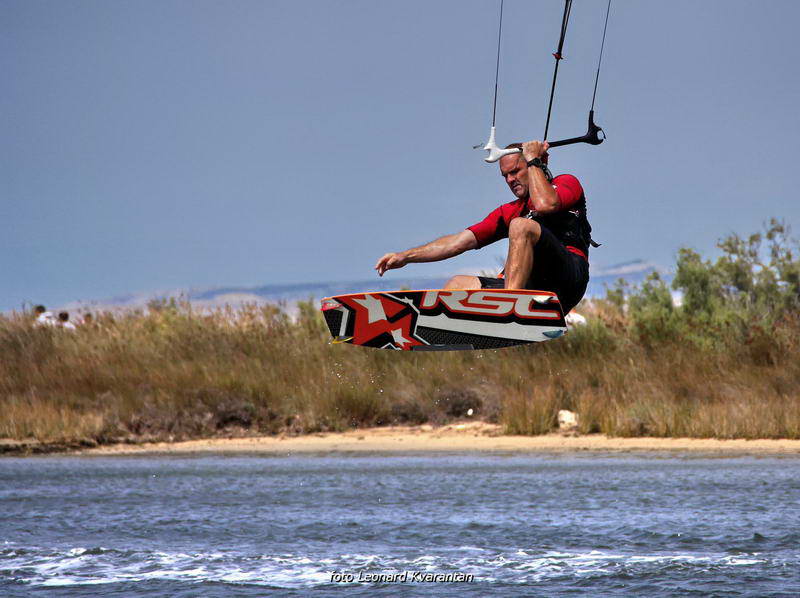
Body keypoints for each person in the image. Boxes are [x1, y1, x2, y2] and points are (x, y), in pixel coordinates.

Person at [374, 141, 595, 313]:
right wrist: (406, 256)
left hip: (567, 280)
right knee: (457, 285)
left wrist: (533, 160)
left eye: (515, 171)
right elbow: (457, 243)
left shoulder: (566, 183)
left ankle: (511, 308)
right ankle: (471, 326)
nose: (510, 180)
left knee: (521, 226)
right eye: (505, 175)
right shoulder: (509, 210)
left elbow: (545, 204)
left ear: (535, 164)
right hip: (531, 290)